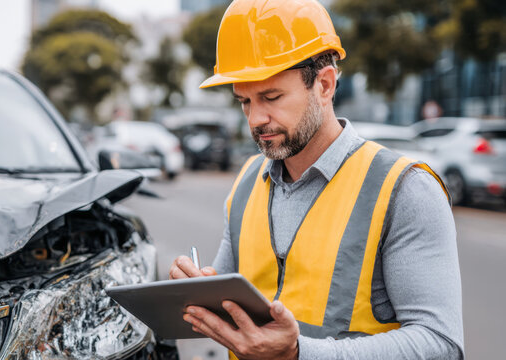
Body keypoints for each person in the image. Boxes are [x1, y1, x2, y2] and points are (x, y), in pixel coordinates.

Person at [168, 0, 464, 359]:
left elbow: (440, 345)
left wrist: (298, 353)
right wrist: (199, 292)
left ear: (324, 85)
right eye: (244, 101)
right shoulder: (247, 181)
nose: (256, 119)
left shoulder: (405, 189)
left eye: (271, 96)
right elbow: (231, 303)